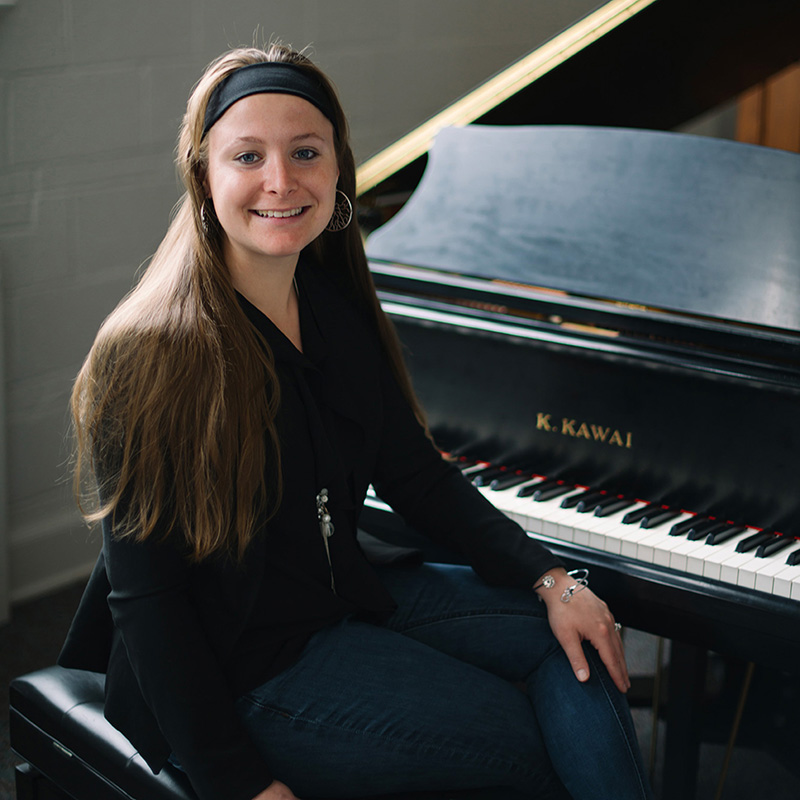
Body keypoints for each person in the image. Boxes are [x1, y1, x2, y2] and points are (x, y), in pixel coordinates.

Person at [59, 43, 653, 800]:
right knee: (522, 739)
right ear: (204, 177)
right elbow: (149, 604)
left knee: (576, 643)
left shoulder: (333, 309)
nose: (281, 180)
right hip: (241, 663)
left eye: (306, 152)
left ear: (338, 169)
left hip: (339, 592)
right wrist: (237, 783)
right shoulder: (150, 353)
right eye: (248, 156)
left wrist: (550, 577)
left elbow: (416, 476)